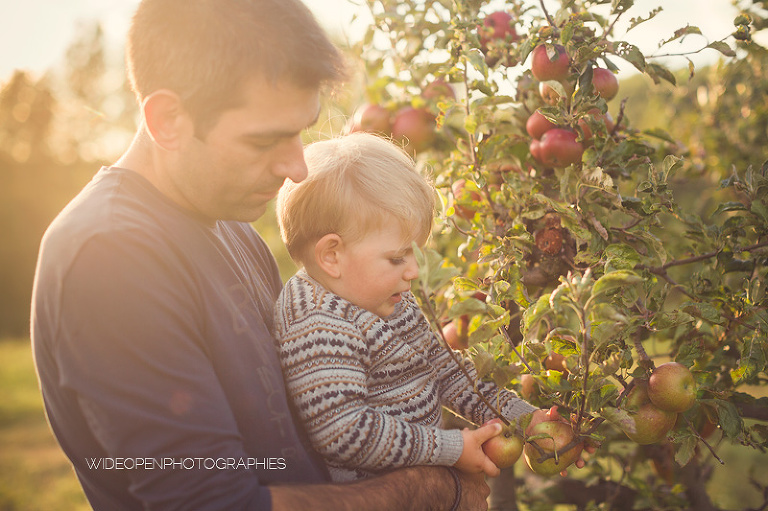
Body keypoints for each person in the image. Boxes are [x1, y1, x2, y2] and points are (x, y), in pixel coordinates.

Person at [29, 0, 499, 509]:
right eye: (265, 141)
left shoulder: (231, 227)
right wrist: (431, 487)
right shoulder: (112, 257)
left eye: (301, 130)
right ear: (168, 119)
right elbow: (213, 502)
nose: (297, 167)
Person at [273, 132, 539, 483]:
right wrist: (449, 448)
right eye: (397, 257)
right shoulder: (318, 324)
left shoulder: (385, 296)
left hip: (421, 486)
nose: (414, 271)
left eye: (415, 253)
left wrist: (524, 417)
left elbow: (446, 372)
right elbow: (344, 432)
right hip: (376, 498)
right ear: (331, 256)